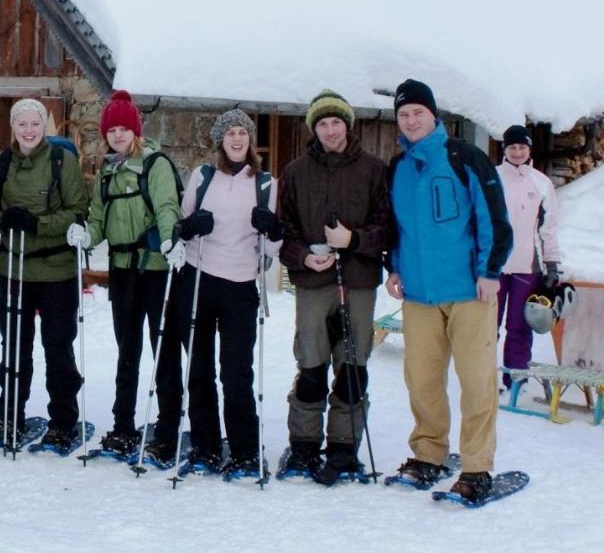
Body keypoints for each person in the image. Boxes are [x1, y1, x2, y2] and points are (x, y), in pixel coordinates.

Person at [385, 79, 512, 503]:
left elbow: (494, 216)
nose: (411, 120)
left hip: (469, 291)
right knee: (421, 380)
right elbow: (396, 228)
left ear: (433, 115)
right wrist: (395, 267)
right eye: (403, 114)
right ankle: (429, 455)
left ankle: (476, 467)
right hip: (419, 294)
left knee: (476, 381)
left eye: (418, 112)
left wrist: (490, 270)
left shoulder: (465, 157)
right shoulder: (398, 167)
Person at [278, 90, 392, 484]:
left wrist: (354, 240)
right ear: (314, 128)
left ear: (348, 124)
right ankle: (304, 446)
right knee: (311, 364)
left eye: (336, 122)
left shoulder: (374, 170)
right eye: (322, 123)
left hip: (358, 281)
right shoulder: (295, 172)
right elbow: (284, 230)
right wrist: (302, 256)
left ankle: (344, 448)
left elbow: (387, 228)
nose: (330, 130)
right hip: (313, 281)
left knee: (352, 365)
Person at [67, 90, 183, 462]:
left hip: (156, 270)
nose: (117, 135)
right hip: (122, 273)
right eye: (111, 129)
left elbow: (167, 205)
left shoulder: (155, 164)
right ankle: (123, 425)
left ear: (136, 130)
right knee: (127, 352)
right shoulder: (108, 172)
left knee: (162, 351)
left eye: (123, 128)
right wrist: (86, 235)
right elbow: (99, 220)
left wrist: (170, 240)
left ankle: (166, 430)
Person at [174, 108, 282, 477]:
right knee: (199, 368)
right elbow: (181, 228)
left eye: (243, 133)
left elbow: (269, 252)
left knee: (236, 372)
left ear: (250, 140)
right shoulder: (202, 177)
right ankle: (204, 446)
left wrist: (273, 230)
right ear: (220, 139)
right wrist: (191, 226)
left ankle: (245, 450)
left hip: (239, 285)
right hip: (199, 277)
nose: (237, 139)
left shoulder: (265, 183)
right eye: (230, 132)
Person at [0, 97, 88, 449]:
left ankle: (63, 420)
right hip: (15, 269)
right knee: (14, 349)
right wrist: (3, 221)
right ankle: (10, 417)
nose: (29, 130)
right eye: (22, 124)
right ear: (13, 127)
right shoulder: (2, 162)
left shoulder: (62, 161)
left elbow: (77, 211)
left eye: (35, 124)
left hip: (57, 272)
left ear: (45, 127)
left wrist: (37, 223)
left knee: (58, 348)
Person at [495, 124, 561, 390]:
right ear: (505, 149)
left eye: (522, 147)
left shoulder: (541, 183)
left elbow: (549, 228)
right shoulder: (492, 177)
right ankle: (480, 375)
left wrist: (553, 264)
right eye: (512, 147)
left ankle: (515, 378)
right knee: (486, 325)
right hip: (494, 266)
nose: (517, 152)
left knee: (519, 325)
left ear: (529, 149)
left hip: (527, 266)